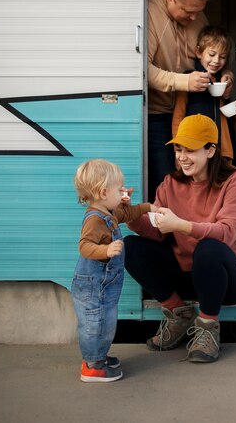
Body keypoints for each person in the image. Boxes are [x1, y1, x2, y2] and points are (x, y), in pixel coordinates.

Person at [124, 114, 236, 363]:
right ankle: (178, 314)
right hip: (189, 275)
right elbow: (156, 230)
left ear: (211, 150)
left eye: (190, 150)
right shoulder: (171, 184)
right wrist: (130, 212)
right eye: (178, 149)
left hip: (228, 281)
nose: (182, 157)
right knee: (129, 247)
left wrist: (181, 225)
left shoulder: (235, 182)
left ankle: (207, 328)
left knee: (208, 247)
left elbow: (226, 232)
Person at [147, 0, 233, 201]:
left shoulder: (196, 12)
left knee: (196, 186)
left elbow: (212, 53)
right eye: (188, 11)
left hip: (192, 114)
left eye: (199, 11)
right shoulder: (150, 13)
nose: (195, 18)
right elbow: (142, 71)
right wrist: (184, 82)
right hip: (158, 115)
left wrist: (227, 77)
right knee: (167, 183)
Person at [71, 158, 152, 382]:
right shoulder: (95, 219)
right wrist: (106, 250)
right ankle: (92, 367)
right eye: (119, 189)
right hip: (93, 284)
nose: (123, 191)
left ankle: (99, 357)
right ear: (104, 192)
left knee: (105, 320)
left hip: (103, 284)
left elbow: (127, 214)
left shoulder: (108, 211)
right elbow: (84, 246)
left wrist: (147, 208)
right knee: (94, 321)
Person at [172, 25, 236, 161]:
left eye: (222, 57)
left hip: (222, 151)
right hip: (196, 152)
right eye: (212, 54)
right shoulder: (188, 79)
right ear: (198, 53)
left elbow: (222, 115)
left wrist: (235, 110)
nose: (216, 61)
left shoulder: (223, 81)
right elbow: (178, 118)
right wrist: (178, 151)